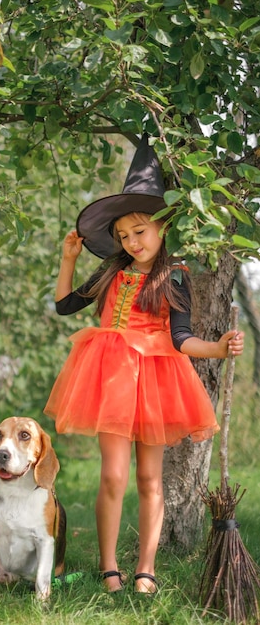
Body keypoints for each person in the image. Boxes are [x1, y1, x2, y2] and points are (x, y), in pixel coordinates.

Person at [44, 135, 244, 594]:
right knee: (113, 474)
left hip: (155, 377)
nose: (132, 242)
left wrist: (218, 349)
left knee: (150, 476)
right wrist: (68, 260)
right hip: (111, 377)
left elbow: (182, 337)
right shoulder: (112, 271)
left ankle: (145, 570)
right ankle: (110, 566)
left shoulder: (173, 275)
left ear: (162, 227)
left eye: (140, 231)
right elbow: (64, 306)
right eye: (123, 236)